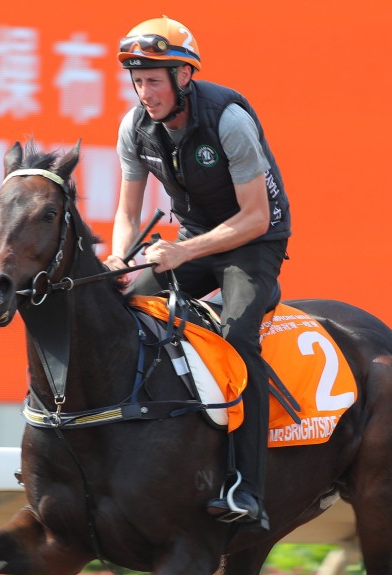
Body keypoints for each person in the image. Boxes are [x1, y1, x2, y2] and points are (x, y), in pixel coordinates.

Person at [105, 15, 291, 531]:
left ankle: (247, 487)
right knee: (122, 306)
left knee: (235, 338)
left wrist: (183, 255)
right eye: (138, 81)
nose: (145, 92)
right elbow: (127, 212)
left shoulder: (227, 119)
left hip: (254, 242)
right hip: (192, 239)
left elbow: (255, 217)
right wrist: (121, 258)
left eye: (154, 80)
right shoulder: (133, 126)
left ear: (184, 76)